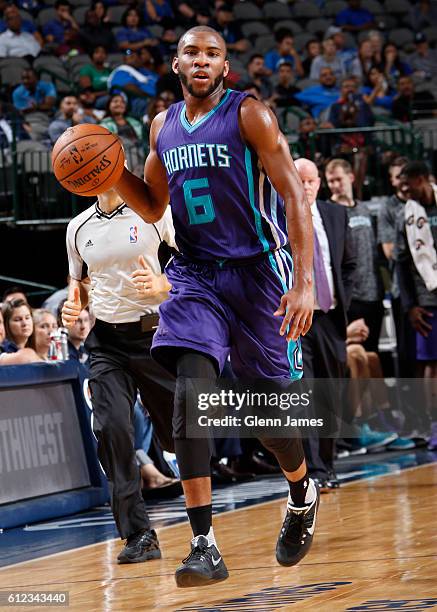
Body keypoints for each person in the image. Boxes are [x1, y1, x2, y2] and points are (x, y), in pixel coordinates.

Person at [113, 25, 318, 588]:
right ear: (176, 65)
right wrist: (117, 175)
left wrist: (303, 284)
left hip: (256, 272)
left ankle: (302, 490)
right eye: (191, 53)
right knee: (191, 392)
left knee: (267, 416)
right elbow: (154, 205)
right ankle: (203, 543)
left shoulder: (250, 115)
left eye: (212, 54)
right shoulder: (162, 126)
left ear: (225, 67)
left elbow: (294, 196)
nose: (201, 61)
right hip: (196, 274)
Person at [61, 185, 177, 564]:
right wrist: (72, 303)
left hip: (156, 334)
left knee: (183, 432)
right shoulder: (78, 227)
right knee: (112, 429)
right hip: (106, 340)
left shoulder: (155, 212)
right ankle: (138, 533)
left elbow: (195, 264)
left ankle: (201, 527)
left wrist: (165, 284)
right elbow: (77, 281)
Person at [294, 158, 356, 491]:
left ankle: (328, 466)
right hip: (298, 320)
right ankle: (313, 470)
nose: (304, 187)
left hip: (330, 318)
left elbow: (349, 265)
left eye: (309, 181)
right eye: (298, 181)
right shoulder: (279, 217)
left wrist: (340, 302)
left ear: (318, 183)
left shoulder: (336, 215)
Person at [394, 161, 437, 449]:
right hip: (427, 300)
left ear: (423, 179)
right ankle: (433, 425)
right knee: (431, 367)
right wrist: (410, 305)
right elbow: (401, 263)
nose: (404, 189)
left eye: (408, 183)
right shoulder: (405, 215)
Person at [325, 158, 384, 353]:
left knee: (372, 352)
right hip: (350, 297)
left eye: (338, 179)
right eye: (330, 181)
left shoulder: (364, 209)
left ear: (351, 177)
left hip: (373, 293)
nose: (335, 185)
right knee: (352, 353)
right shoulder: (328, 212)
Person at [107, 49, 159, 118]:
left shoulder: (146, 71)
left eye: (133, 57)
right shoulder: (123, 70)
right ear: (124, 60)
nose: (131, 59)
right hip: (137, 100)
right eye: (128, 57)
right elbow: (128, 86)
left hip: (157, 98)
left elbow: (160, 82)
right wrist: (149, 96)